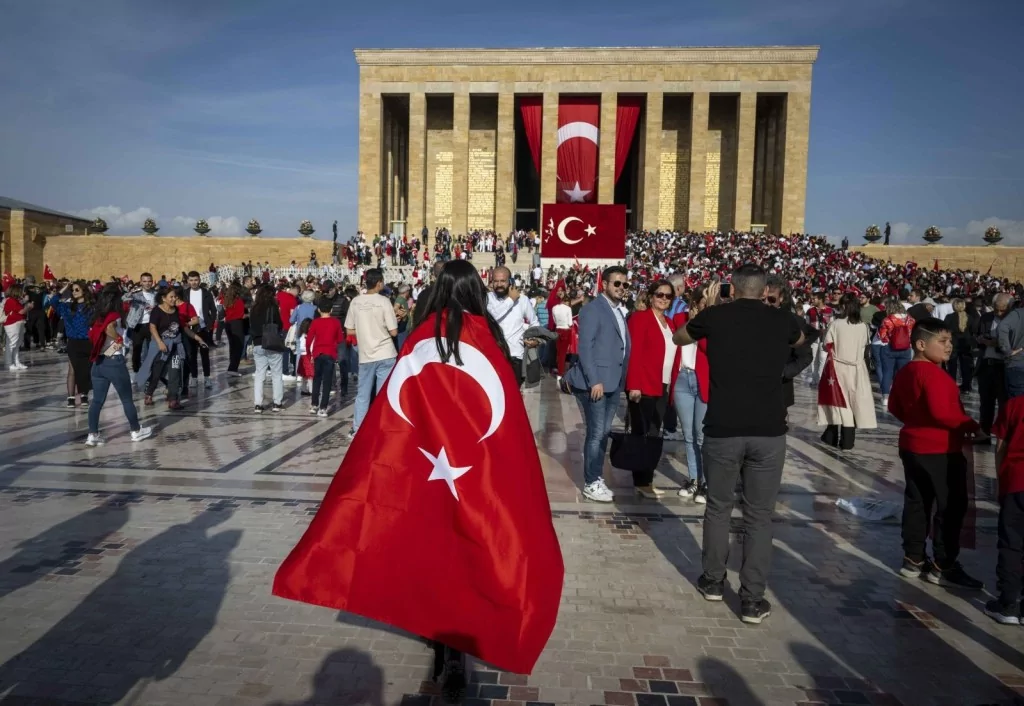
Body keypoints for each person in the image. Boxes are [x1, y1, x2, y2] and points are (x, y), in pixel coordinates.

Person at [673, 264, 804, 625]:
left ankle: (714, 581)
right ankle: (752, 599)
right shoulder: (783, 320)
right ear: (765, 291)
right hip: (768, 429)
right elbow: (801, 343)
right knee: (759, 516)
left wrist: (709, 311)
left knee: (718, 508)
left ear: (732, 286)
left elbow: (679, 337)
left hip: (724, 427)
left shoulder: (716, 316)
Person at [888, 318, 986, 589]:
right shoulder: (935, 375)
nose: (949, 347)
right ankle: (944, 564)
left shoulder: (906, 371)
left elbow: (895, 406)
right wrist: (973, 428)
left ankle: (913, 558)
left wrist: (915, 421)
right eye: (942, 341)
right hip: (940, 448)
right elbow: (944, 413)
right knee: (950, 506)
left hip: (912, 445)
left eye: (950, 341)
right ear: (921, 344)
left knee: (917, 501)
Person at [564, 267, 631, 504]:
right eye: (617, 284)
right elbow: (585, 348)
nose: (621, 288)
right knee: (596, 434)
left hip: (613, 382)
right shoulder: (594, 309)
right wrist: (595, 380)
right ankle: (591, 481)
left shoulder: (618, 311)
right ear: (605, 285)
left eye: (624, 284)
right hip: (597, 383)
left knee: (603, 433)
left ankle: (596, 477)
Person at [624, 280, 678, 499]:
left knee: (655, 433)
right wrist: (634, 384)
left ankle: (647, 478)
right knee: (642, 434)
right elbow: (634, 353)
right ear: (650, 296)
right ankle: (641, 481)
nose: (663, 299)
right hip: (644, 385)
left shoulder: (671, 323)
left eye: (668, 296)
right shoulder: (640, 318)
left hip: (663, 385)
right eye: (659, 294)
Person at [85, 284, 152, 446]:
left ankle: (92, 434)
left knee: (97, 401)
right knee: (127, 399)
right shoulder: (114, 315)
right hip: (114, 362)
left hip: (99, 362)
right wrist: (119, 340)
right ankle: (136, 431)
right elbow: (109, 329)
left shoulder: (97, 315)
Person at [817, 293, 877, 450]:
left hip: (838, 367)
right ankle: (847, 440)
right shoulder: (863, 326)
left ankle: (836, 437)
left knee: (840, 403)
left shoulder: (836, 324)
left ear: (843, 306)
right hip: (858, 369)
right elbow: (865, 345)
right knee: (852, 402)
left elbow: (826, 345)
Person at [345, 268, 398, 432]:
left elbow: (349, 330)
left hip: (366, 354)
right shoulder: (384, 301)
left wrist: (364, 329)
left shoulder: (355, 302)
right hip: (385, 353)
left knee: (363, 395)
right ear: (379, 283)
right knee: (383, 394)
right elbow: (394, 331)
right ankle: (382, 427)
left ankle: (358, 428)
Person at [987, 395, 1024, 624]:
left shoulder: (1015, 404)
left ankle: (1008, 604)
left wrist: (1001, 480)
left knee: (1011, 543)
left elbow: (1000, 447)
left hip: (1016, 481)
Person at [673, 286, 710, 503]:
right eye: (702, 303)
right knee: (688, 435)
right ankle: (694, 479)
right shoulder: (679, 318)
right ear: (694, 303)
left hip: (702, 380)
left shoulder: (712, 323)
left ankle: (706, 483)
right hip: (682, 378)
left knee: (701, 434)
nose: (704, 306)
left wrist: (701, 325)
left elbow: (707, 347)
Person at [486, 266, 539, 387]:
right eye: (496, 281)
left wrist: (535, 339)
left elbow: (534, 322)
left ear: (510, 281)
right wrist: (510, 300)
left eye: (503, 281)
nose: (499, 284)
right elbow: (492, 317)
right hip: (493, 356)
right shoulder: (487, 299)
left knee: (513, 396)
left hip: (515, 356)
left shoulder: (523, 300)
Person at [978, 293, 1012, 436]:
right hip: (987, 364)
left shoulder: (1013, 320)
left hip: (1004, 366)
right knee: (986, 402)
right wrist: (981, 340)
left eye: (1002, 310)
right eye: (996, 309)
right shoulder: (986, 318)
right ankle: (984, 433)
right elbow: (978, 334)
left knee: (1004, 403)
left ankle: (1002, 436)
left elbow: (1014, 343)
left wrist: (997, 343)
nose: (999, 313)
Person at [56, 280, 94, 407]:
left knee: (86, 369)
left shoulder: (91, 308)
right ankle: (71, 398)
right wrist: (65, 288)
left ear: (84, 290)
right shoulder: (67, 307)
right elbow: (52, 301)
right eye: (72, 290)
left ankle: (84, 395)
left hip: (88, 341)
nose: (74, 292)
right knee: (72, 369)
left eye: (77, 289)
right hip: (73, 342)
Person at [249, 284, 285, 414]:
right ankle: (277, 403)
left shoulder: (254, 308)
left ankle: (258, 404)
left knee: (259, 374)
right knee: (276, 374)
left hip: (258, 343)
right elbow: (279, 324)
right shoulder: (273, 307)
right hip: (272, 342)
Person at [307, 298, 343, 417]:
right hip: (330, 353)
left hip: (318, 353)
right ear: (331, 310)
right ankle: (323, 407)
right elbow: (339, 339)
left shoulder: (315, 322)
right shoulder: (336, 322)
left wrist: (309, 354)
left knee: (317, 378)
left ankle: (314, 404)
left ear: (318, 310)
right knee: (327, 381)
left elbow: (309, 340)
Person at [877, 297, 914, 407]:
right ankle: (902, 396)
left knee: (887, 373)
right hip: (906, 349)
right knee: (902, 373)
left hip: (889, 348)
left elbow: (882, 336)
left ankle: (885, 397)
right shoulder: (911, 320)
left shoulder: (887, 320)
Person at [186, 271, 217, 389]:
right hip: (189, 328)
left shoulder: (206, 293)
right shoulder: (185, 294)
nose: (193, 282)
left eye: (195, 280)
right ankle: (194, 378)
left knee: (205, 354)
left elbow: (213, 311)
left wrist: (210, 325)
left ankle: (207, 378)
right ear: (188, 281)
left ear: (199, 280)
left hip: (203, 328)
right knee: (192, 355)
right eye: (191, 280)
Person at [123, 272, 156, 375]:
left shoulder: (156, 294)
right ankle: (137, 371)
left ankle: (150, 369)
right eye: (145, 281)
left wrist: (154, 309)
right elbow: (124, 298)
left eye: (149, 281)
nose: (147, 283)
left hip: (151, 325)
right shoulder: (136, 294)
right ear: (141, 282)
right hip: (137, 325)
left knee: (152, 349)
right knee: (137, 349)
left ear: (152, 282)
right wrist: (131, 291)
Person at [943, 298, 977, 394]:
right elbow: (973, 330)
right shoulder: (969, 317)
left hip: (953, 344)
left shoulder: (949, 317)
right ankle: (966, 386)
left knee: (952, 366)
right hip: (966, 344)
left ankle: (951, 385)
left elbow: (945, 329)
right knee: (966, 366)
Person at [998, 300, 1024, 399]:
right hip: (1018, 363)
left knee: (1016, 404)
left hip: (1018, 363)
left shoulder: (1017, 314)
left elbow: (1002, 327)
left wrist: (1006, 350)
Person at [3, 284, 31, 371]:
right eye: (21, 290)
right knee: (11, 344)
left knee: (17, 344)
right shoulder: (11, 300)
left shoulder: (15, 300)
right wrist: (28, 307)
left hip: (18, 323)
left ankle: (16, 362)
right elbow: (21, 311)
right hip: (12, 324)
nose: (22, 292)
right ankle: (9, 363)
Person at [222, 283, 246, 376]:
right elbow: (241, 315)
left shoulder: (227, 300)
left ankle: (232, 366)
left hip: (228, 323)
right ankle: (233, 368)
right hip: (237, 324)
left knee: (232, 346)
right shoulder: (238, 300)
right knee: (239, 346)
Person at [551, 290, 573, 379]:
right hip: (566, 330)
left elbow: (555, 320)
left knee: (559, 352)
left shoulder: (554, 308)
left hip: (558, 329)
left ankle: (559, 368)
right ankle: (560, 372)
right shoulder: (568, 309)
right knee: (563, 353)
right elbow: (570, 323)